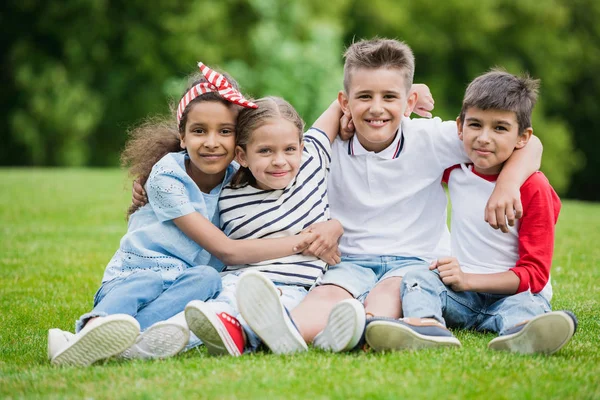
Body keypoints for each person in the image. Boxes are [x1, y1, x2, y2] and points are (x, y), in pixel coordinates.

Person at [235, 38, 545, 354]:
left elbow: (531, 144)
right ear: (344, 102)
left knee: (388, 295)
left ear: (409, 103)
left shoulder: (431, 138)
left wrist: (506, 185)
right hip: (349, 258)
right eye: (365, 97)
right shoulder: (330, 144)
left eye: (389, 97)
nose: (377, 108)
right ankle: (285, 331)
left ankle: (364, 331)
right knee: (326, 295)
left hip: (413, 263)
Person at [47, 63, 320, 366]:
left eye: (225, 131)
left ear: (239, 144)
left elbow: (286, 155)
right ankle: (91, 329)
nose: (212, 142)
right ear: (182, 136)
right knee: (147, 282)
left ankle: (129, 340)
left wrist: (332, 226)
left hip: (183, 285)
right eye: (199, 131)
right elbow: (226, 250)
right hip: (133, 277)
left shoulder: (237, 175)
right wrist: (302, 241)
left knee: (207, 279)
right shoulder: (167, 177)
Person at [364, 70, 577, 355]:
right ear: (460, 128)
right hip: (461, 296)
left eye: (500, 128)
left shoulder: (533, 187)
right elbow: (404, 138)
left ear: (522, 137)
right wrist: (404, 95)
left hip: (512, 294)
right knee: (417, 277)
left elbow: (535, 275)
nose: (484, 138)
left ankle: (522, 332)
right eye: (475, 125)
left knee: (527, 304)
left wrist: (469, 279)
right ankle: (425, 325)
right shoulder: (454, 169)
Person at [181, 96, 345, 356]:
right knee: (222, 302)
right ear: (242, 156)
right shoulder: (227, 192)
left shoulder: (312, 160)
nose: (280, 160)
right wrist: (145, 181)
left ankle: (244, 336)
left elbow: (341, 103)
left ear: (302, 148)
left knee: (282, 309)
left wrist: (407, 90)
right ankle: (172, 333)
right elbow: (184, 164)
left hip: (295, 285)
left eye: (289, 149)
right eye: (265, 151)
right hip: (239, 280)